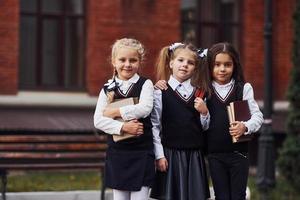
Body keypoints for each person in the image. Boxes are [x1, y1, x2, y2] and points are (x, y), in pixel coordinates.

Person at [93, 38, 155, 200]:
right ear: (114, 62)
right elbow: (98, 120)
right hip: (118, 154)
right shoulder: (107, 88)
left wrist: (114, 112)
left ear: (139, 62)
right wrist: (123, 128)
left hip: (141, 153)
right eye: (122, 60)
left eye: (133, 60)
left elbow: (145, 108)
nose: (127, 64)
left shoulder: (145, 84)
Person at [150, 42, 211, 200]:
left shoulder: (200, 93)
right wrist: (159, 155)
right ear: (171, 63)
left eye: (190, 63)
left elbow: (204, 127)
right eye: (180, 60)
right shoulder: (160, 92)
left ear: (195, 68)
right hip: (170, 156)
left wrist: (204, 112)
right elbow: (155, 127)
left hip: (194, 156)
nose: (185, 65)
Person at [205, 42, 263, 200]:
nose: (222, 69)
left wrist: (245, 126)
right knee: (221, 196)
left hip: (239, 154)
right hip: (215, 155)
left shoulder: (243, 89)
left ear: (234, 66)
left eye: (227, 65)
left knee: (238, 196)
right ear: (210, 66)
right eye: (217, 65)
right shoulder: (204, 90)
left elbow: (258, 117)